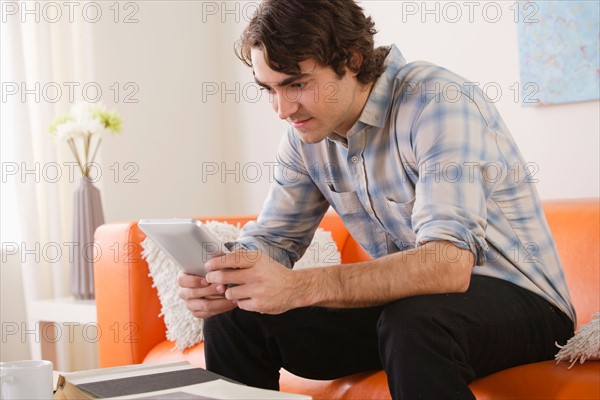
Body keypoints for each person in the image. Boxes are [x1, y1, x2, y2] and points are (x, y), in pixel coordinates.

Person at [178, 1, 575, 398]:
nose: (282, 109)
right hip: (409, 309)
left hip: (525, 305)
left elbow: (448, 266)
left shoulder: (437, 101)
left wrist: (298, 287)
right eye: (270, 89)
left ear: (352, 59)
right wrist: (228, 278)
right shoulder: (307, 137)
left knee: (415, 323)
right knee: (236, 320)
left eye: (297, 84)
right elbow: (273, 240)